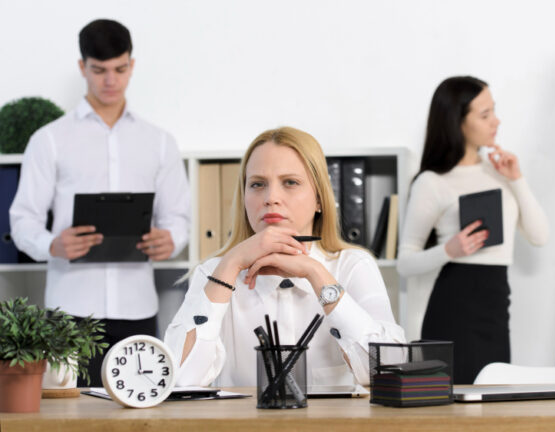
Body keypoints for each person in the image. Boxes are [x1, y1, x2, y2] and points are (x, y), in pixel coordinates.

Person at [9, 19, 190, 386]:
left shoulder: (159, 142)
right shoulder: (50, 140)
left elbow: (179, 219)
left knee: (140, 413)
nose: (111, 80)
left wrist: (171, 239)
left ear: (132, 65)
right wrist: (52, 244)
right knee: (65, 416)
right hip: (68, 311)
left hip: (138, 308)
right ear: (82, 67)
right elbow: (23, 218)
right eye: (100, 70)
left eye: (120, 69)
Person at [165, 127, 405, 387]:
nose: (271, 198)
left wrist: (317, 275)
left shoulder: (353, 266)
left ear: (319, 200)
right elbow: (177, 380)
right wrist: (230, 265)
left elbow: (387, 371)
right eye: (257, 184)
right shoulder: (213, 271)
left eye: (290, 182)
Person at [396, 76, 549, 384]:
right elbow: (404, 262)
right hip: (453, 306)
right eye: (485, 114)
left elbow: (539, 235)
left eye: (494, 110)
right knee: (451, 414)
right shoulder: (433, 181)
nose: (496, 121)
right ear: (458, 122)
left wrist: (516, 178)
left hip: (495, 304)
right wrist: (449, 250)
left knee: (493, 407)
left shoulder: (501, 171)